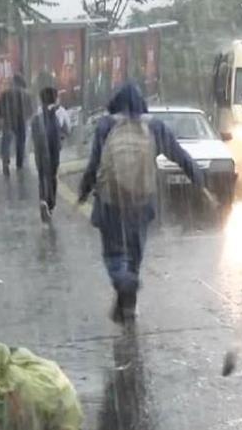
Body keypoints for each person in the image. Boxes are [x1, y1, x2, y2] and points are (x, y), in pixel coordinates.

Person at [78, 82, 209, 323]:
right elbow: (179, 155)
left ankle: (124, 284)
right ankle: (128, 302)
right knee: (134, 253)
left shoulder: (106, 125)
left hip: (111, 200)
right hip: (141, 201)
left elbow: (94, 163)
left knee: (114, 254)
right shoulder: (155, 127)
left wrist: (84, 190)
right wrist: (199, 180)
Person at [30, 87, 69, 222]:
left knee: (42, 176)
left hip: (40, 152)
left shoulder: (38, 114)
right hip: (53, 151)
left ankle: (43, 199)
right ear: (55, 97)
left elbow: (33, 134)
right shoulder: (61, 111)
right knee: (52, 176)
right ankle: (51, 204)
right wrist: (61, 138)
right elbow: (66, 129)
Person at [0, 74, 33, 175]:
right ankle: (19, 164)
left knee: (6, 143)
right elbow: (30, 110)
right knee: (20, 142)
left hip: (8, 121)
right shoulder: (26, 94)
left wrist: (2, 116)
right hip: (21, 121)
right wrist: (26, 117)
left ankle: (5, 163)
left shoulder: (5, 93)